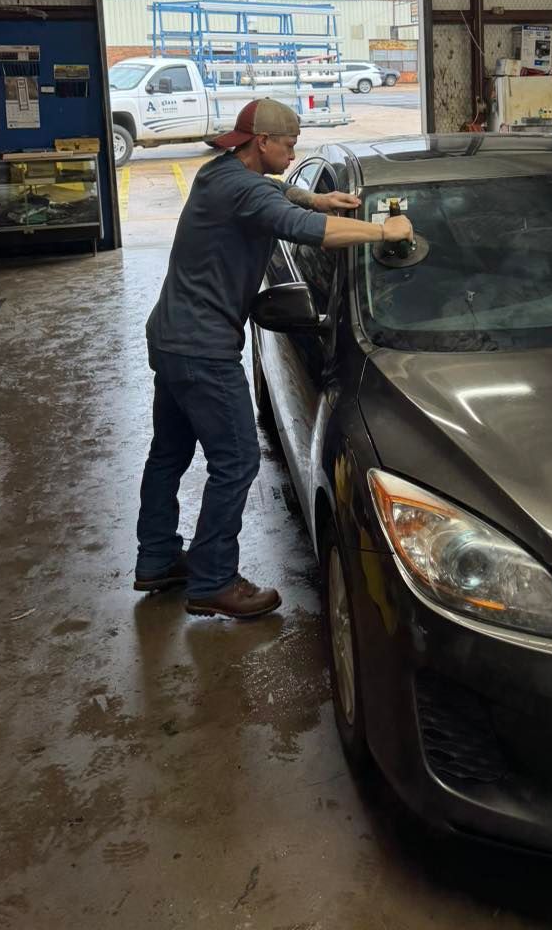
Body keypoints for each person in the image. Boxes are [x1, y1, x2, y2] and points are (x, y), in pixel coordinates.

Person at [134, 98, 413, 620]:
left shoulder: (219, 172)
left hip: (170, 338)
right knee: (236, 460)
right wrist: (384, 232)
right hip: (203, 351)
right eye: (288, 143)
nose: (294, 150)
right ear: (262, 142)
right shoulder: (244, 191)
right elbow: (316, 235)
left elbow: (276, 191)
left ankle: (157, 558)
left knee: (168, 455)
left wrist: (315, 196)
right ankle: (213, 580)